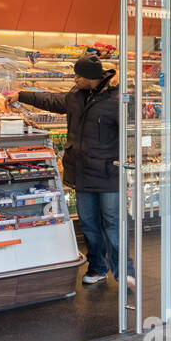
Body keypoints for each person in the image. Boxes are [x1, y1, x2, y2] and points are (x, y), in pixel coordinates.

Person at [17, 54, 132, 288]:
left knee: (112, 224)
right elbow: (51, 101)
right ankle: (98, 267)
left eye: (78, 75)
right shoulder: (75, 95)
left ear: (91, 77)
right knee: (89, 224)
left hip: (108, 173)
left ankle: (125, 273)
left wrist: (127, 162)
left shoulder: (117, 99)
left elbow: (131, 134)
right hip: (81, 172)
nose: (75, 78)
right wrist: (20, 96)